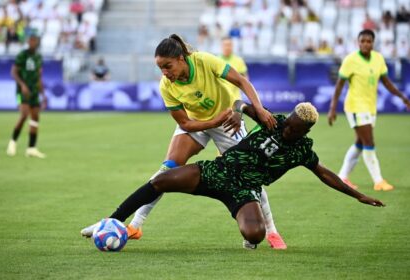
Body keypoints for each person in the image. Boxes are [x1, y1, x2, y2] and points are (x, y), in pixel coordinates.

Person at [82, 102, 385, 249]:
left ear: (305, 131)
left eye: (293, 127)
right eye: (288, 121)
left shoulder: (302, 151)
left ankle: (254, 236)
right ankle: (113, 221)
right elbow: (242, 103)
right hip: (217, 171)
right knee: (161, 179)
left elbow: (324, 174)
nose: (286, 127)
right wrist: (238, 111)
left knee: (254, 234)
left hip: (244, 190)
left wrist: (358, 195)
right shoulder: (273, 121)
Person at [81, 34, 285, 249]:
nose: (165, 73)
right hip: (197, 123)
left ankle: (272, 231)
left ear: (181, 58)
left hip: (227, 123)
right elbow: (185, 124)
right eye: (161, 69)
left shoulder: (205, 61)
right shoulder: (166, 86)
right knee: (166, 170)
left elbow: (242, 81)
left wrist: (259, 109)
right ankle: (132, 224)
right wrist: (211, 121)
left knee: (248, 174)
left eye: (168, 66)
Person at [328, 29, 410, 191]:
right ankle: (378, 181)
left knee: (360, 143)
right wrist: (333, 108)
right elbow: (339, 85)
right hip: (355, 107)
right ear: (358, 42)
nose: (366, 44)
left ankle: (342, 177)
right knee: (369, 142)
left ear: (373, 43)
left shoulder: (378, 59)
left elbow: (386, 82)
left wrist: (402, 97)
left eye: (369, 41)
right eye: (362, 41)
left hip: (370, 107)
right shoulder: (350, 60)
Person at [6, 34, 47, 158]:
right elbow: (13, 72)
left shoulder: (39, 57)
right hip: (21, 92)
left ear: (37, 42)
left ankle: (31, 148)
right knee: (24, 114)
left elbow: (39, 77)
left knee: (35, 118)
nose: (31, 42)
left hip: (34, 92)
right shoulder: (22, 55)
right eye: (30, 40)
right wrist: (22, 85)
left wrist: (43, 95)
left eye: (34, 40)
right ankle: (12, 142)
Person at [219, 36, 248, 100]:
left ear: (232, 46)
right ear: (221, 46)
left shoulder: (239, 60)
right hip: (220, 99)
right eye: (225, 45)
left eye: (229, 45)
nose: (227, 47)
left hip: (235, 99)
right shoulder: (216, 60)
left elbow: (245, 79)